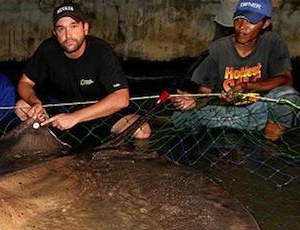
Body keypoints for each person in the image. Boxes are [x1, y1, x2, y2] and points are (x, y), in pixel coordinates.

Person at [15, 2, 150, 140]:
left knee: (142, 131)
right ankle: (47, 146)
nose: (68, 35)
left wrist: (75, 117)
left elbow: (122, 98)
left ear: (85, 28)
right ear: (55, 33)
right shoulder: (47, 49)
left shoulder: (101, 51)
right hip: (61, 114)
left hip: (101, 114)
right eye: (61, 29)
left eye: (73, 26)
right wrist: (35, 102)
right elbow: (24, 83)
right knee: (22, 106)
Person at [171, 0, 299, 141]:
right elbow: (204, 93)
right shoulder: (217, 49)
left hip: (258, 112)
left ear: (266, 23)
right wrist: (194, 101)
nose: (242, 27)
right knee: (181, 118)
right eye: (239, 19)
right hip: (223, 113)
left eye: (251, 22)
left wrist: (246, 86)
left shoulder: (273, 42)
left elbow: (286, 79)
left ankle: (269, 146)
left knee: (288, 95)